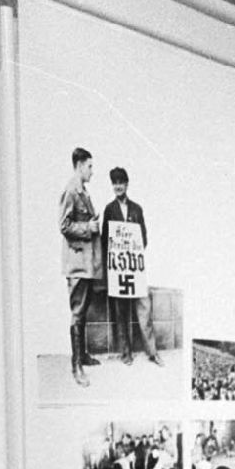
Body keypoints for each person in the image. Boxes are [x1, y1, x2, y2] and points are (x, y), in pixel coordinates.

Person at [101, 166, 160, 365]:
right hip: (118, 270)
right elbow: (105, 240)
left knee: (144, 310)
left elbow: (143, 238)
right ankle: (125, 353)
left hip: (134, 269)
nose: (118, 186)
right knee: (121, 311)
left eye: (121, 182)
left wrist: (132, 246)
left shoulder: (137, 209)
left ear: (127, 184)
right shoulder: (109, 210)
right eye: (114, 183)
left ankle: (152, 352)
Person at [59, 146, 103, 386]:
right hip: (76, 264)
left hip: (84, 263)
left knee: (83, 310)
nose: (92, 171)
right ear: (79, 166)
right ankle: (76, 366)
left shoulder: (82, 191)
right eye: (89, 166)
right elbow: (64, 226)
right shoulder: (72, 190)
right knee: (77, 313)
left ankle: (83, 355)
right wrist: (89, 228)